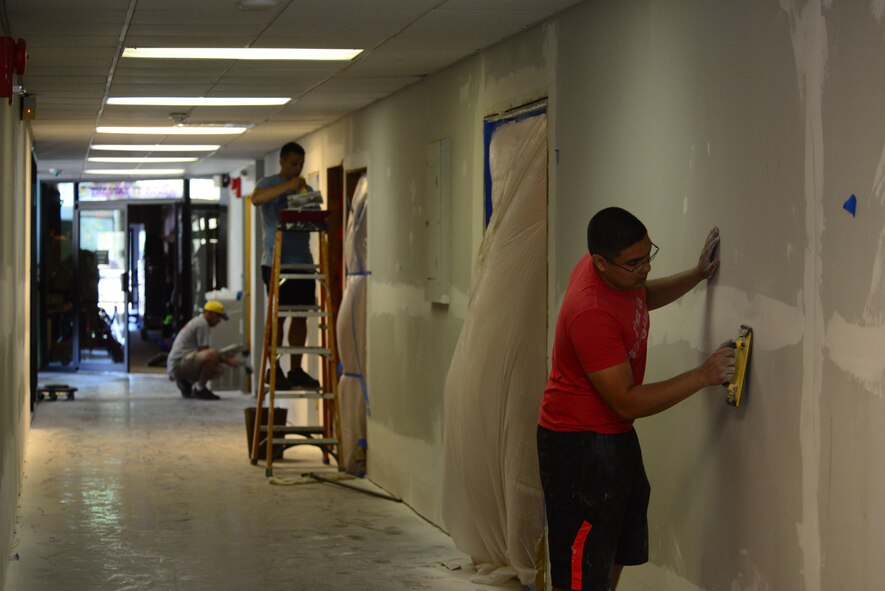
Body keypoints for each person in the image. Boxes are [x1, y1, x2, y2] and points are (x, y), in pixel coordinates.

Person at [536, 207, 736, 590]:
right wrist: (703, 375)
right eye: (635, 263)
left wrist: (696, 276)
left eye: (648, 256)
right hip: (577, 446)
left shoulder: (619, 276)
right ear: (600, 263)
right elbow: (626, 401)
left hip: (611, 435)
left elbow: (643, 293)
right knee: (584, 559)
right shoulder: (589, 312)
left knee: (618, 538)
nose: (644, 268)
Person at [251, 141, 321, 390]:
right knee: (278, 317)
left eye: (301, 165)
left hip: (303, 262)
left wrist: (301, 193)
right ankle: (275, 368)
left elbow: (314, 218)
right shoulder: (268, 184)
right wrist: (288, 186)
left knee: (300, 316)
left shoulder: (305, 189)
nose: (297, 169)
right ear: (282, 161)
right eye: (293, 164)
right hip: (276, 263)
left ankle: (295, 368)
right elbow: (256, 200)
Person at [167, 300, 241, 400]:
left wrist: (224, 359)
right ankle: (200, 389)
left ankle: (186, 382)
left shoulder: (198, 321)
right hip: (178, 364)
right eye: (218, 317)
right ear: (209, 313)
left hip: (178, 363)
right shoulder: (202, 324)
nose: (219, 321)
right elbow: (206, 352)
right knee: (213, 356)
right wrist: (228, 361)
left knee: (217, 369)